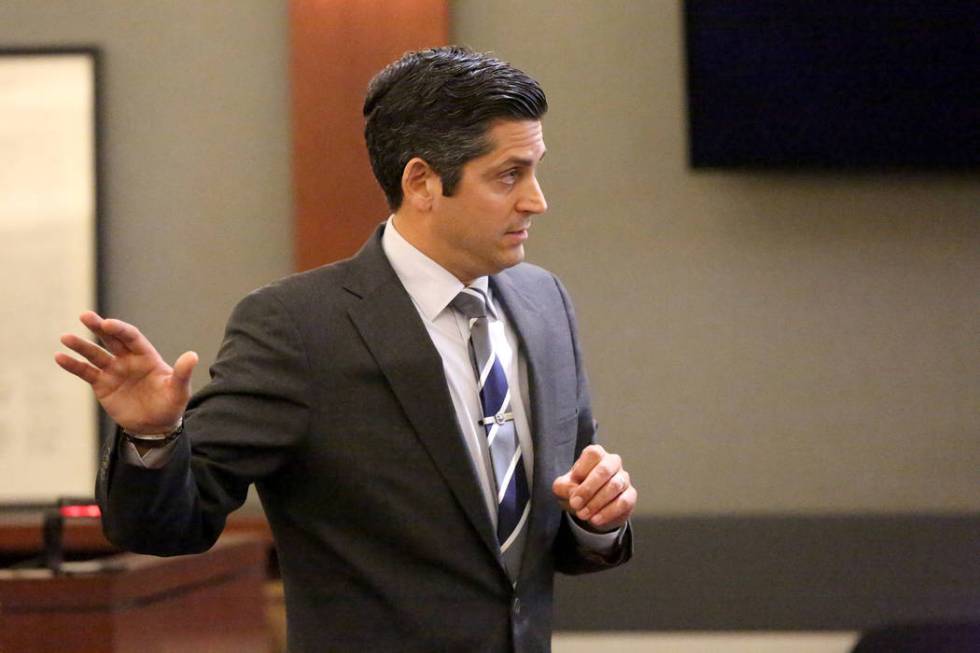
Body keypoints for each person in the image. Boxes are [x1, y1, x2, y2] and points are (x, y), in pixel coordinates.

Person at [56, 46, 636, 652]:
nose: (536, 200)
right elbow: (167, 526)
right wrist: (153, 437)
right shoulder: (297, 327)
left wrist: (598, 517)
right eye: (509, 175)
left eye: (535, 169)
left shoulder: (545, 303)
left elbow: (555, 531)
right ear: (422, 182)